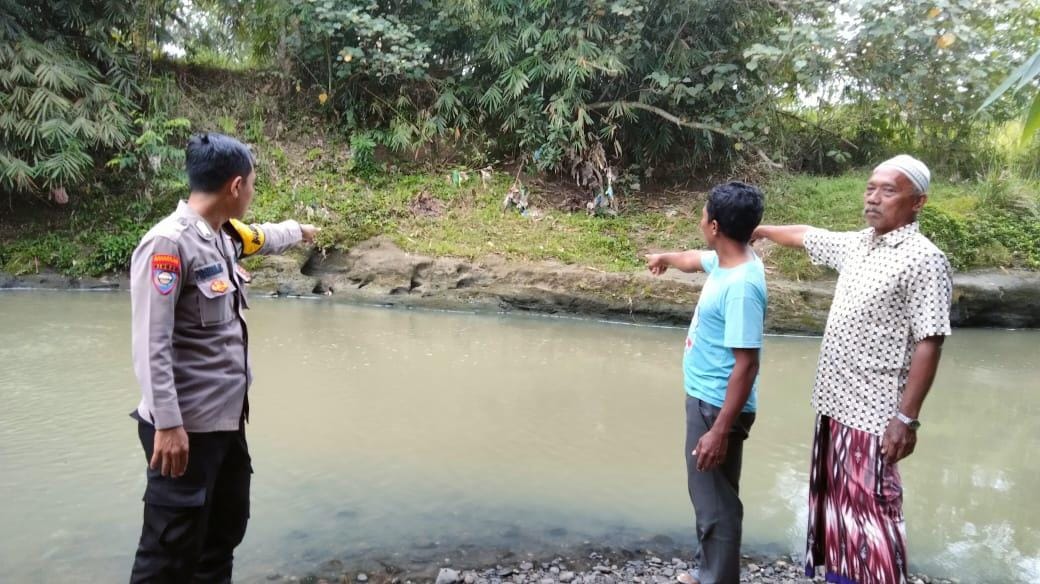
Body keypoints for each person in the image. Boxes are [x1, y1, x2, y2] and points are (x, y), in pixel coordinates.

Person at [752, 155, 952, 584]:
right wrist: (764, 231)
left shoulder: (924, 259)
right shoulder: (860, 244)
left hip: (875, 415)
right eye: (870, 188)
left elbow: (930, 341)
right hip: (835, 405)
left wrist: (905, 418)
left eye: (888, 190)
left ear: (918, 202)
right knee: (839, 510)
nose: (874, 198)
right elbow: (808, 235)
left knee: (876, 515)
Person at [128, 132, 318, 583]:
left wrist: (299, 231)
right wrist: (169, 424)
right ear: (236, 187)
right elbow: (151, 343)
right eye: (251, 184)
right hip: (184, 431)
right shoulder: (168, 245)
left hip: (226, 424)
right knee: (168, 554)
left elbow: (262, 237)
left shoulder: (220, 236)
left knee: (222, 536)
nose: (252, 194)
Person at [645, 182, 768, 584]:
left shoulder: (741, 288)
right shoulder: (729, 260)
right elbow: (692, 260)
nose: (699, 222)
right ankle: (708, 569)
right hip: (707, 399)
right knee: (711, 493)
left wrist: (719, 431)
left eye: (702, 216)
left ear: (715, 226)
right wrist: (664, 257)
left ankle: (718, 578)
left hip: (716, 407)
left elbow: (746, 366)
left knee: (716, 501)